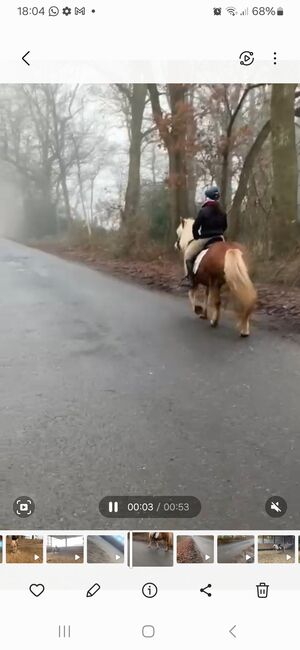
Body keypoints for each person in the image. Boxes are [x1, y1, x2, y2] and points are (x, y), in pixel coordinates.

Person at [182, 186, 227, 287]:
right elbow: (225, 226)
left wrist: (197, 236)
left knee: (188, 255)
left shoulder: (203, 211)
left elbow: (196, 226)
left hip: (206, 238)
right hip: (220, 238)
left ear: (207, 198)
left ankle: (190, 280)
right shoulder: (222, 212)